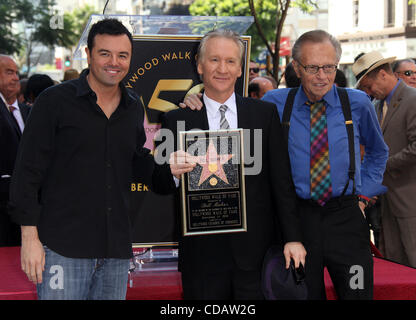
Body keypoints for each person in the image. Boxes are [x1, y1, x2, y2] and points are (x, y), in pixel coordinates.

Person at [8, 18, 174, 300]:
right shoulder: (54, 102)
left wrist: (171, 169)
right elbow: (27, 172)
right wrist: (29, 237)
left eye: (122, 55)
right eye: (105, 53)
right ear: (88, 54)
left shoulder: (133, 106)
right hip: (62, 248)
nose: (114, 62)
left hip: (116, 251)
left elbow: (135, 162)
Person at [163, 29, 306, 300]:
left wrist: (293, 237)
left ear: (240, 69)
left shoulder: (264, 114)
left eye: (230, 61)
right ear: (200, 65)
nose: (222, 68)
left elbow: (281, 181)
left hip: (255, 254)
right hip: (201, 256)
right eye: (214, 60)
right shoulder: (177, 120)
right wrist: (172, 172)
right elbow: (160, 182)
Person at [352, 51, 416, 268]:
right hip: (386, 198)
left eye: (369, 86)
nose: (369, 92)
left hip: (409, 198)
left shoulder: (412, 99)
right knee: (394, 260)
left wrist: (381, 165)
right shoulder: (377, 106)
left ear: (382, 74)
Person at [0, 55, 31, 247]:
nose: (15, 78)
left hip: (27, 204)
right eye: (9, 72)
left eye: (16, 73)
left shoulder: (28, 111)